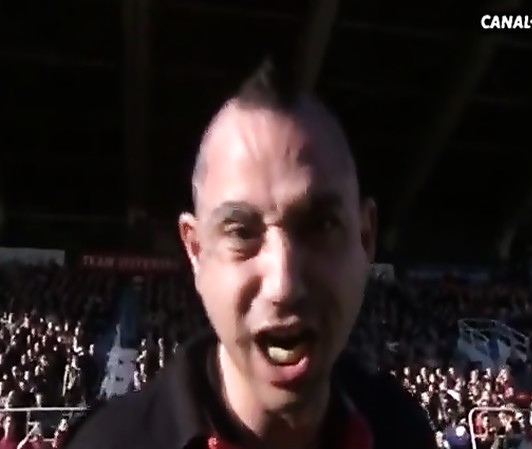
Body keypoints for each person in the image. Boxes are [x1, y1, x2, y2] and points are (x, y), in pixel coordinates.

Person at [62, 59, 436, 449]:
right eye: (241, 233)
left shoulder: (402, 431)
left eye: (321, 225)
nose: (283, 285)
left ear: (364, 238)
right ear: (196, 251)